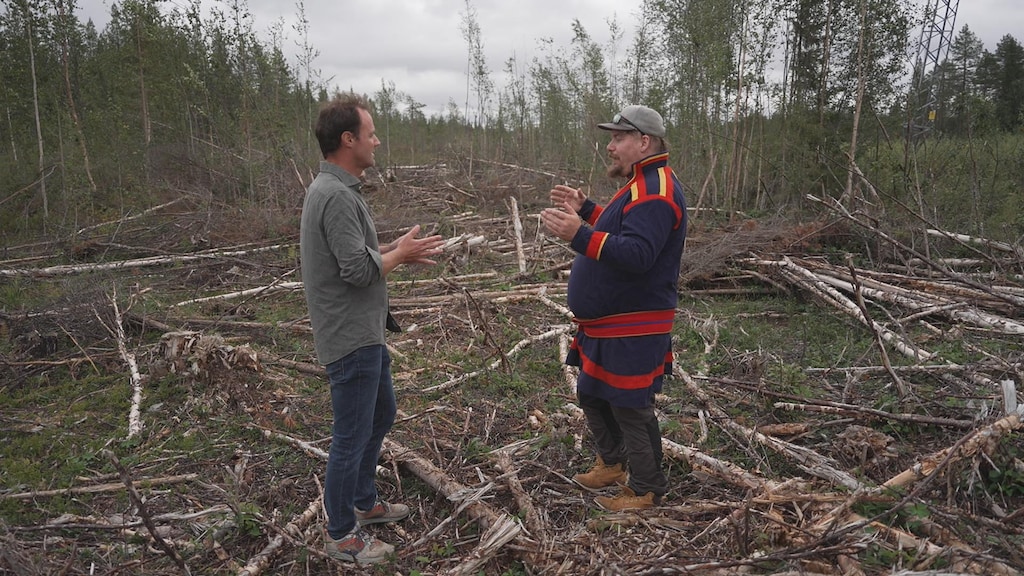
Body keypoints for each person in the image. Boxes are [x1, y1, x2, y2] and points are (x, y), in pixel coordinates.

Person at [300, 92, 444, 564]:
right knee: (351, 433)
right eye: (370, 133)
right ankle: (342, 533)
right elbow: (359, 272)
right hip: (350, 337)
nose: (377, 141)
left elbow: (356, 257)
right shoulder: (335, 196)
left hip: (365, 331)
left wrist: (393, 248)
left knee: (380, 416)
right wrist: (399, 255)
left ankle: (364, 503)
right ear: (348, 140)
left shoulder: (336, 191)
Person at [540, 105, 687, 511]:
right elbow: (626, 225)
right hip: (608, 325)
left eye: (619, 138)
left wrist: (579, 234)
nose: (610, 147)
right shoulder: (642, 184)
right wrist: (587, 210)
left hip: (634, 324)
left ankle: (646, 488)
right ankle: (614, 462)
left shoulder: (655, 190)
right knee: (591, 392)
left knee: (630, 405)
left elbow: (639, 253)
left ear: (644, 142)